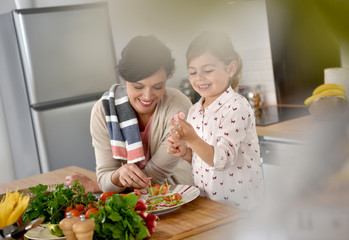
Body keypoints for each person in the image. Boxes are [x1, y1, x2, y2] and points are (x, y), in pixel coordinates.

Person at [66, 35, 192, 193]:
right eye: (138, 87)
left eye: (158, 86)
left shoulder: (178, 108)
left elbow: (153, 178)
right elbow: (105, 174)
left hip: (178, 197)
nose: (147, 96)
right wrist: (116, 176)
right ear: (124, 79)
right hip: (130, 202)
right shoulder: (103, 111)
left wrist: (98, 186)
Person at [167, 31, 265, 210]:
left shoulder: (236, 107)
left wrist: (192, 139)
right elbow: (202, 160)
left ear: (230, 68)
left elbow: (221, 160)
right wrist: (186, 153)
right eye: (193, 72)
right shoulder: (195, 110)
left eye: (208, 70)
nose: (199, 78)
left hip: (241, 208)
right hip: (209, 205)